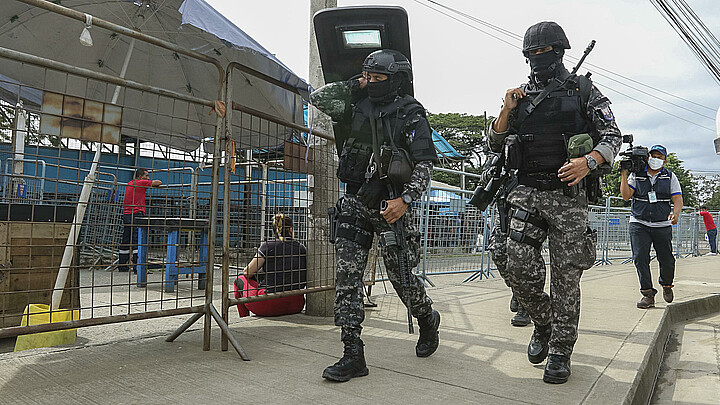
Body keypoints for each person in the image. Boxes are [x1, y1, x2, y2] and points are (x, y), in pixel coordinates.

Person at [487, 21, 622, 384]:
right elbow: (494, 144)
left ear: (559, 52)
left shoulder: (583, 89)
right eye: (531, 54)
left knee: (566, 279)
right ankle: (543, 321)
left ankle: (561, 351)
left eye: (543, 52)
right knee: (510, 259)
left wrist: (589, 161)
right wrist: (505, 109)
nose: (537, 59)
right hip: (527, 191)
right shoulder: (519, 95)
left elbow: (613, 135)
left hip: (567, 198)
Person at [311, 49, 441, 382]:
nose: (371, 83)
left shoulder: (412, 114)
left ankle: (426, 318)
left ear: (396, 80)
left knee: (402, 280)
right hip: (355, 203)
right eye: (368, 77)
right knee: (346, 279)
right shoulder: (355, 105)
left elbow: (425, 164)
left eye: (378, 78)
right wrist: (359, 82)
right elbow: (319, 97)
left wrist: (406, 200)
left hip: (391, 207)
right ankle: (352, 353)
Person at [621, 144, 683, 308]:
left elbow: (677, 198)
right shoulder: (637, 175)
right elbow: (626, 196)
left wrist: (675, 214)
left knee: (667, 259)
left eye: (659, 157)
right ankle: (647, 294)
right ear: (648, 157)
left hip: (662, 224)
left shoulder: (670, 177)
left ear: (665, 160)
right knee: (640, 257)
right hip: (639, 222)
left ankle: (667, 285)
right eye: (653, 156)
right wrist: (624, 173)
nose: (655, 159)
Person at [233, 213, 307, 317]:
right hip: (295, 304)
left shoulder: (268, 245)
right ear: (290, 230)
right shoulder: (301, 247)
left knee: (239, 279)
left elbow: (248, 273)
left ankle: (244, 317)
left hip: (268, 305)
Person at [119, 168, 161, 272]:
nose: (148, 178)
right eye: (146, 175)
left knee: (126, 239)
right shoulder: (140, 183)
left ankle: (122, 265)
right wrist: (150, 182)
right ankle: (138, 267)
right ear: (140, 176)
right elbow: (158, 182)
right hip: (136, 214)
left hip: (127, 214)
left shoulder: (130, 183)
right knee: (137, 240)